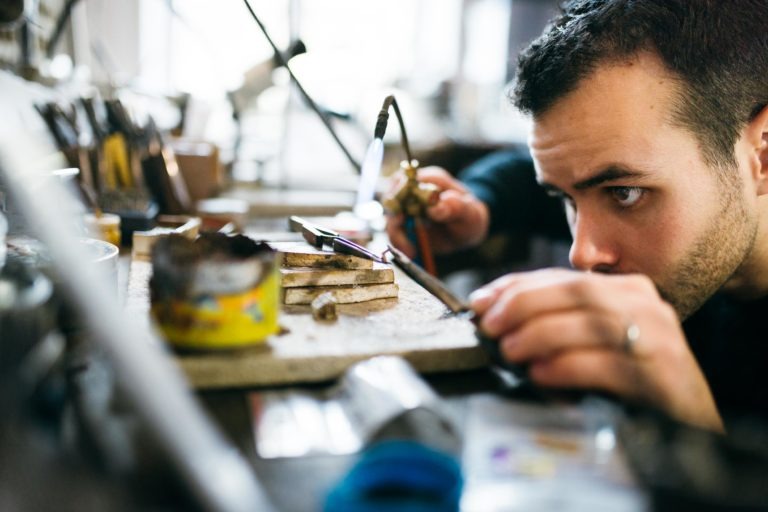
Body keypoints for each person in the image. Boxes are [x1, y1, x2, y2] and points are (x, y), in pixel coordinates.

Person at [386, 0, 768, 433]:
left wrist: (694, 431)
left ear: (762, 154)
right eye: (566, 199)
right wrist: (478, 204)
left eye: (624, 193)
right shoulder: (650, 186)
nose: (582, 255)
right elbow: (526, 173)